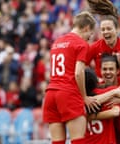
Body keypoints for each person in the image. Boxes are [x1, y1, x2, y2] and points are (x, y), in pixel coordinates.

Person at [42, 11, 98, 144]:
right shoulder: (81, 44)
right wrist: (84, 97)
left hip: (50, 95)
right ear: (86, 27)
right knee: (78, 141)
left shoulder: (57, 42)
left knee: (57, 142)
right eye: (90, 33)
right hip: (68, 93)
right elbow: (78, 73)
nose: (90, 37)